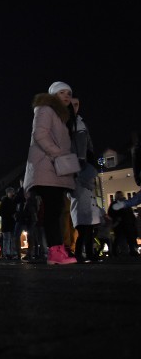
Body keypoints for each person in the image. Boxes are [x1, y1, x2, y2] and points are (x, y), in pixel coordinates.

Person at [23, 81, 77, 265]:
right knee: (53, 211)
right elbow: (39, 134)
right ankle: (55, 251)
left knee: (56, 210)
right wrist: (58, 153)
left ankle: (57, 250)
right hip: (47, 166)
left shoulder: (61, 115)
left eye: (69, 93)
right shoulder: (45, 109)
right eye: (61, 92)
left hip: (54, 169)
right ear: (53, 94)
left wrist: (74, 113)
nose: (66, 96)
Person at [67, 97, 101, 263]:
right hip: (76, 167)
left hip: (84, 164)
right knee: (83, 229)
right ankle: (80, 254)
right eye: (72, 104)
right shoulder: (68, 123)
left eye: (77, 104)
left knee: (88, 229)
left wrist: (90, 158)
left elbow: (87, 144)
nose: (75, 107)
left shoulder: (80, 122)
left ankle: (89, 253)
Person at [108, 191, 139, 257]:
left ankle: (131, 251)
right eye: (119, 195)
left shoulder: (124, 204)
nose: (120, 196)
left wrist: (133, 221)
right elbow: (111, 214)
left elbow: (130, 214)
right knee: (120, 238)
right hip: (120, 225)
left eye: (121, 195)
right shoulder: (117, 204)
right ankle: (120, 252)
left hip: (126, 224)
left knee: (128, 239)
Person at [0, 187, 18, 260]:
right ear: (8, 193)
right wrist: (10, 215)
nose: (13, 193)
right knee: (7, 239)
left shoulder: (13, 201)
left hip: (12, 223)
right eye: (11, 192)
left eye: (13, 192)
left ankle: (12, 253)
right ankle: (7, 253)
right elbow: (1, 212)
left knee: (12, 238)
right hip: (7, 223)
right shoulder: (5, 201)